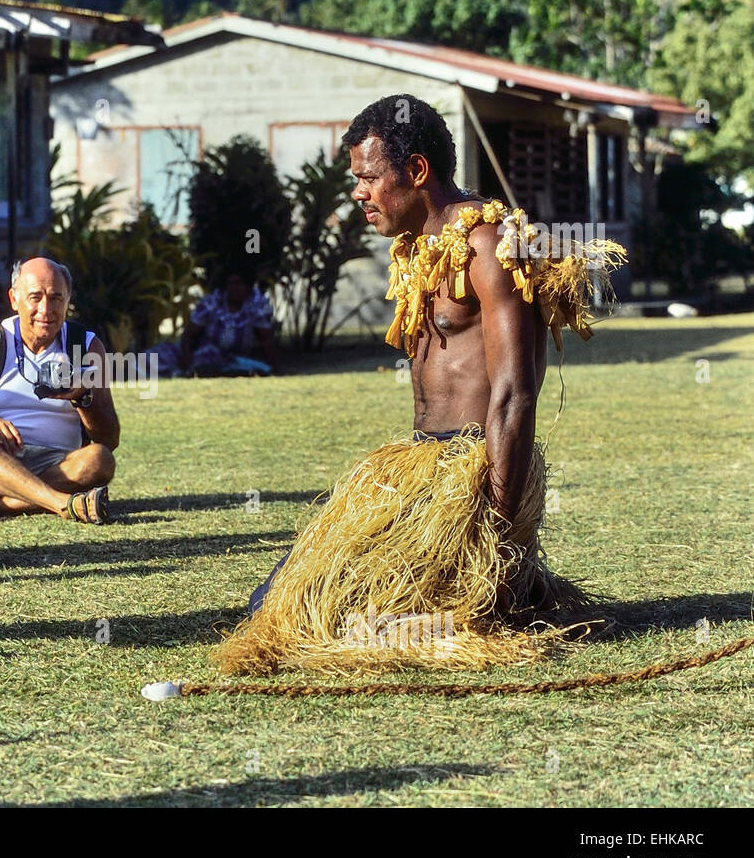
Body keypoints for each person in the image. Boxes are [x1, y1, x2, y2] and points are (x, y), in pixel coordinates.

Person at [214, 94, 623, 677]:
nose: (359, 193)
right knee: (276, 604)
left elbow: (514, 391)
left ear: (418, 172)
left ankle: (474, 605)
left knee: (350, 619)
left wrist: (497, 541)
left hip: (473, 474)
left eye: (369, 178)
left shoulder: (492, 245)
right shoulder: (415, 247)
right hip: (419, 474)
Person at [0, 257, 119, 524]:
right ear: (14, 299)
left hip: (58, 464)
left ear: (68, 301)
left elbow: (109, 439)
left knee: (99, 460)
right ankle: (61, 503)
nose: (46, 309)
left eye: (56, 298)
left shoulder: (86, 346)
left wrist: (82, 398)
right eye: (35, 297)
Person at [166, 268, 277, 376]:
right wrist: (187, 359)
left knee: (258, 368)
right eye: (230, 284)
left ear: (248, 286)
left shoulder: (258, 305)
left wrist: (273, 368)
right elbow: (188, 335)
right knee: (156, 355)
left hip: (239, 359)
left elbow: (266, 339)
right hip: (207, 352)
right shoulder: (211, 303)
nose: (234, 288)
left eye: (239, 284)